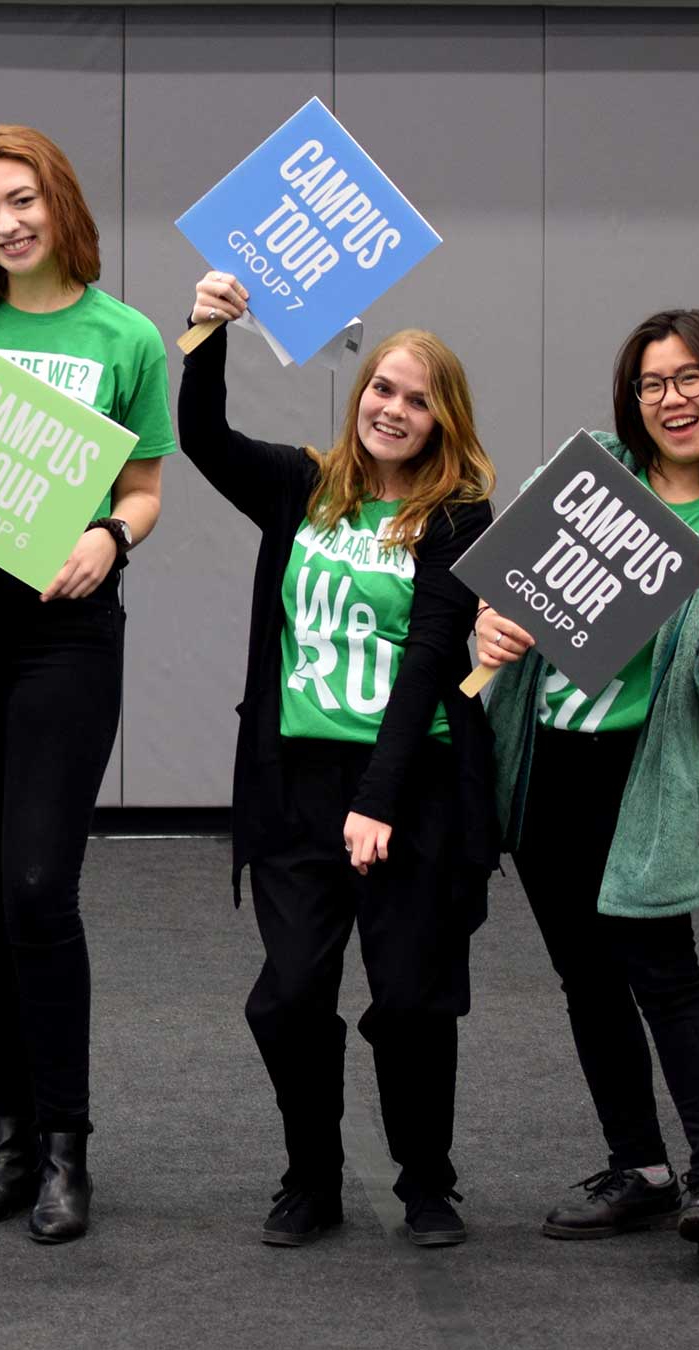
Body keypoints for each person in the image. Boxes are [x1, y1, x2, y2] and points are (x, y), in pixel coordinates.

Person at [0, 125, 172, 1245]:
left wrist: (112, 536)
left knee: (36, 888)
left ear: (58, 202)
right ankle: (7, 1135)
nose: (5, 223)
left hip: (63, 631)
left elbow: (147, 487)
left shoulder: (128, 336)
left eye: (20, 200)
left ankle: (67, 1145)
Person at [182, 271, 497, 1248]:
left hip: (416, 787)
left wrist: (379, 800)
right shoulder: (302, 486)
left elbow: (428, 669)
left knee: (409, 1002)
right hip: (295, 788)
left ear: (444, 420)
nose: (393, 409)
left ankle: (426, 1184)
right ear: (356, 395)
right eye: (381, 390)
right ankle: (311, 1175)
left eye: (416, 398)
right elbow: (201, 439)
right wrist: (204, 329)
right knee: (288, 996)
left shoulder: (457, 521)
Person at [475, 309, 699, 1264]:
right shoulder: (594, 469)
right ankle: (640, 1170)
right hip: (549, 762)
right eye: (653, 383)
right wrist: (491, 628)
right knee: (587, 980)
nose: (672, 399)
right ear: (630, 399)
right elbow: (508, 588)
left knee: (665, 974)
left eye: (691, 379)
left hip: (645, 775)